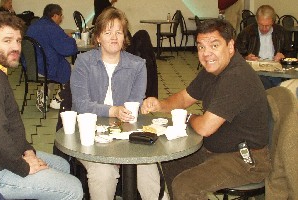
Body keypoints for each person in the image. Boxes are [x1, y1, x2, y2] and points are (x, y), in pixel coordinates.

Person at [141, 19, 271, 200]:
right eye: (201, 47)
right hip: (218, 150)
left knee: (186, 185)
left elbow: (204, 128)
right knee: (172, 158)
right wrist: (161, 104)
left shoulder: (237, 78)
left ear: (230, 46)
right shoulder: (212, 69)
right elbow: (185, 97)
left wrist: (188, 117)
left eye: (214, 45)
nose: (206, 53)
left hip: (246, 159)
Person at [0, 12, 83, 200]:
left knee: (62, 165)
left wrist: (28, 151)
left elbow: (11, 126)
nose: (16, 47)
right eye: (7, 41)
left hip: (5, 157)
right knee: (73, 188)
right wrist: (25, 166)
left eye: (18, 41)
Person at [71, 7, 165, 200]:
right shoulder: (83, 63)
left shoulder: (138, 65)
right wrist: (113, 110)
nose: (114, 37)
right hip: (90, 135)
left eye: (118, 32)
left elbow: (134, 107)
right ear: (97, 37)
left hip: (126, 134)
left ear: (124, 37)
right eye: (107, 32)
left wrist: (143, 107)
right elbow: (81, 105)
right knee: (103, 173)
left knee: (148, 168)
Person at [26, 4, 78, 111]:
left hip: (31, 67)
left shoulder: (33, 26)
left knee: (55, 66)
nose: (61, 18)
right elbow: (66, 49)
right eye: (60, 16)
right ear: (54, 16)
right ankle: (58, 99)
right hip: (45, 67)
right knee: (76, 70)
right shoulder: (52, 28)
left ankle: (43, 94)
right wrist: (71, 40)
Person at [235, 5, 293, 89]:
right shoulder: (247, 32)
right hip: (254, 72)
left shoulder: (282, 32)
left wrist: (284, 57)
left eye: (268, 25)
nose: (264, 29)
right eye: (261, 25)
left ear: (273, 22)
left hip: (276, 73)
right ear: (257, 21)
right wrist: (246, 57)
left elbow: (291, 53)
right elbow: (236, 53)